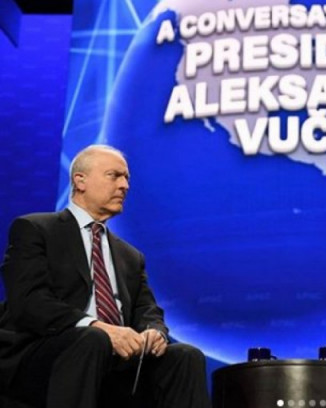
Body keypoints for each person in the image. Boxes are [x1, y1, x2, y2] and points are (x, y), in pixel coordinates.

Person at [0, 145, 211, 408]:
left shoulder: (130, 255)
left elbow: (147, 309)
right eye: (114, 176)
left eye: (127, 179)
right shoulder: (36, 229)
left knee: (186, 356)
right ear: (80, 181)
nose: (124, 186)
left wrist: (153, 331)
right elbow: (29, 302)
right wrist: (97, 326)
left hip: (116, 362)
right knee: (93, 339)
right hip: (47, 352)